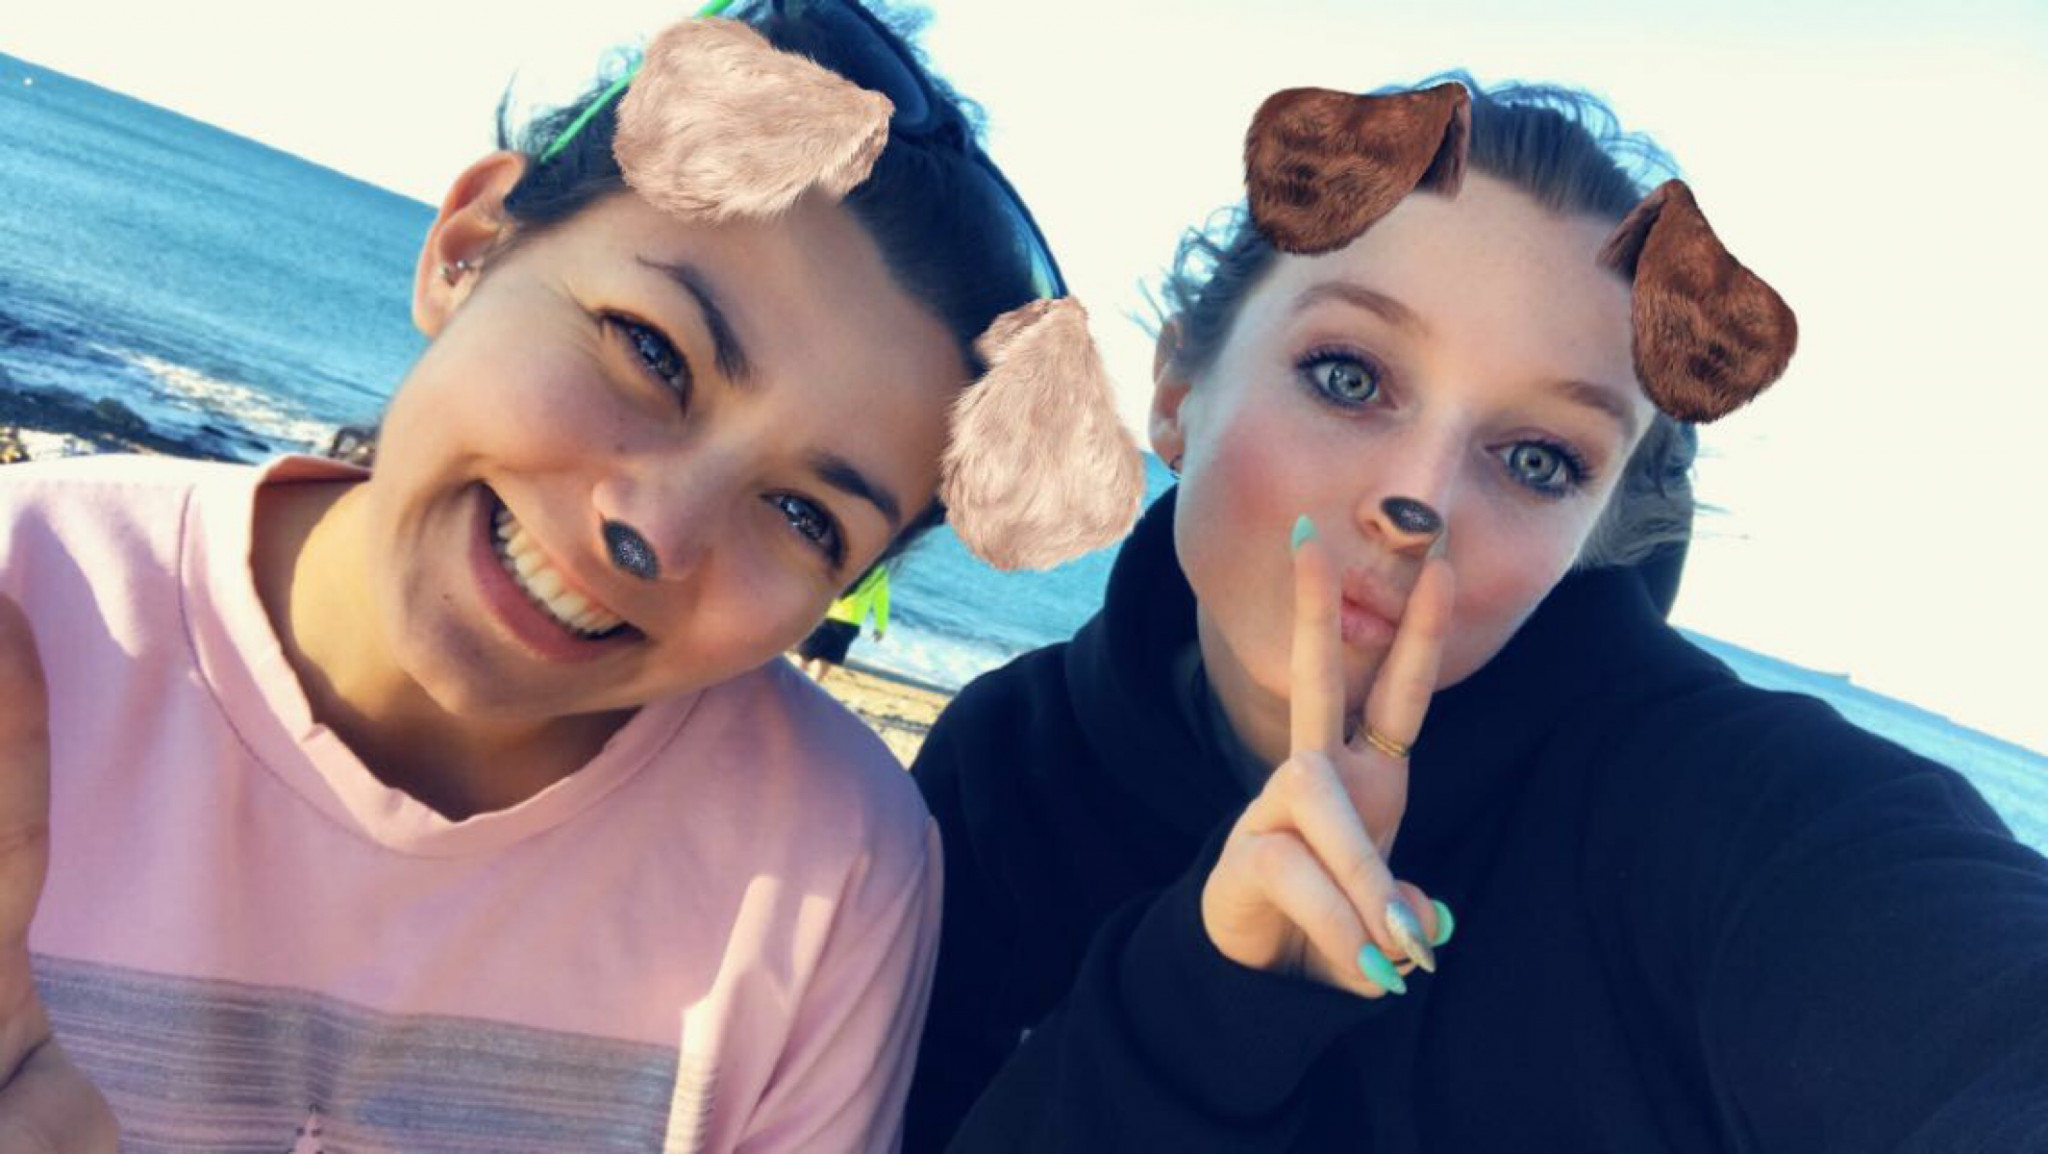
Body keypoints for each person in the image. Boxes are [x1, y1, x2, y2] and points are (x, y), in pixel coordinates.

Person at [0, 2, 1140, 1149]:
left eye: (804, 515)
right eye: (651, 351)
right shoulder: (28, 591)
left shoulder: (829, 865)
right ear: (469, 246)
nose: (654, 530)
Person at [904, 74, 2048, 1151]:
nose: (1419, 503)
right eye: (1348, 375)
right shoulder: (1004, 769)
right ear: (1173, 392)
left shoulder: (1726, 813)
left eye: (1538, 458)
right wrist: (1196, 1009)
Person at [800, 566, 890, 681]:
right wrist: (881, 627)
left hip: (829, 613)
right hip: (848, 621)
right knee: (827, 657)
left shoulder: (854, 563)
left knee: (808, 652)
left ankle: (801, 677)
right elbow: (881, 602)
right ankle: (815, 681)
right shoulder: (880, 573)